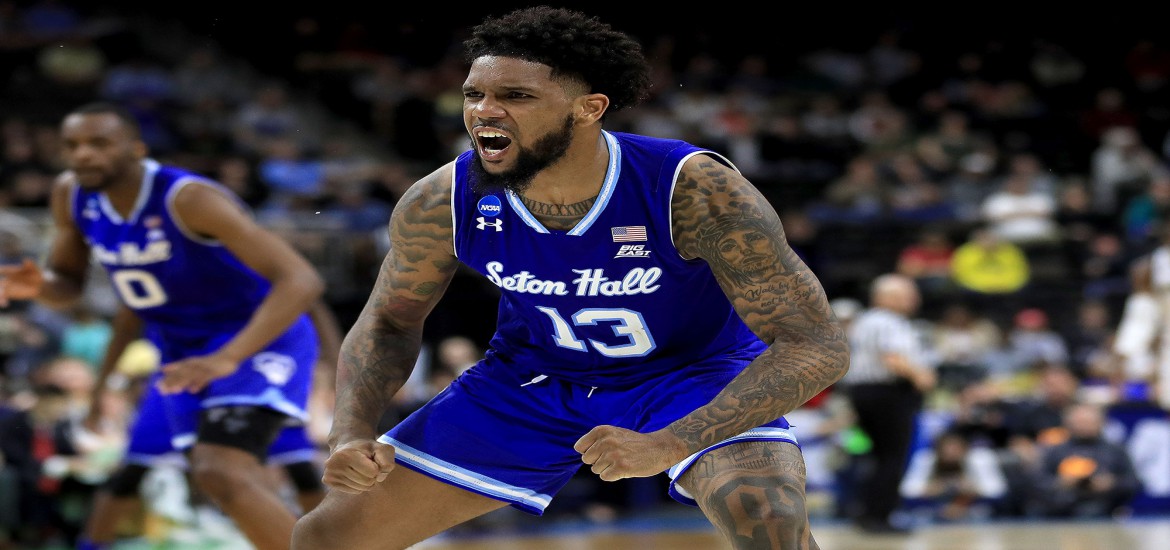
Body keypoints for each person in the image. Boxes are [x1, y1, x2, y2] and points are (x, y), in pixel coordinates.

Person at [291, 7, 849, 550]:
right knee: (325, 538)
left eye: (515, 96)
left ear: (589, 108)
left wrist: (670, 443)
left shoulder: (692, 188)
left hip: (689, 375)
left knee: (767, 516)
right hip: (530, 381)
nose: (484, 111)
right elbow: (389, 322)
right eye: (473, 94)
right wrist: (350, 433)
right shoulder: (442, 201)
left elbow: (816, 344)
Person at [0, 102, 326, 550]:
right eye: (71, 145)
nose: (83, 155)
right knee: (215, 478)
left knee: (226, 471)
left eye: (99, 143)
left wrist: (228, 357)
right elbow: (68, 286)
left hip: (253, 340)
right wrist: (38, 285)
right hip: (181, 351)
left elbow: (302, 280)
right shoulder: (71, 195)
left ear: (137, 149)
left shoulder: (188, 198)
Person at [71, 299, 340, 549]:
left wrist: (338, 369)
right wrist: (98, 391)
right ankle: (92, 544)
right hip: (178, 369)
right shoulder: (141, 275)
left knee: (276, 468)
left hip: (251, 359)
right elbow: (125, 320)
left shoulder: (246, 269)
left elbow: (306, 289)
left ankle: (329, 542)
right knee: (143, 470)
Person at [837, 273, 937, 533]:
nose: (914, 299)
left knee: (880, 457)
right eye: (908, 294)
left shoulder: (866, 320)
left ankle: (868, 513)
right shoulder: (887, 321)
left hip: (865, 392)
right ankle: (880, 517)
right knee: (893, 457)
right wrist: (922, 377)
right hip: (887, 393)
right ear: (886, 297)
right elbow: (892, 358)